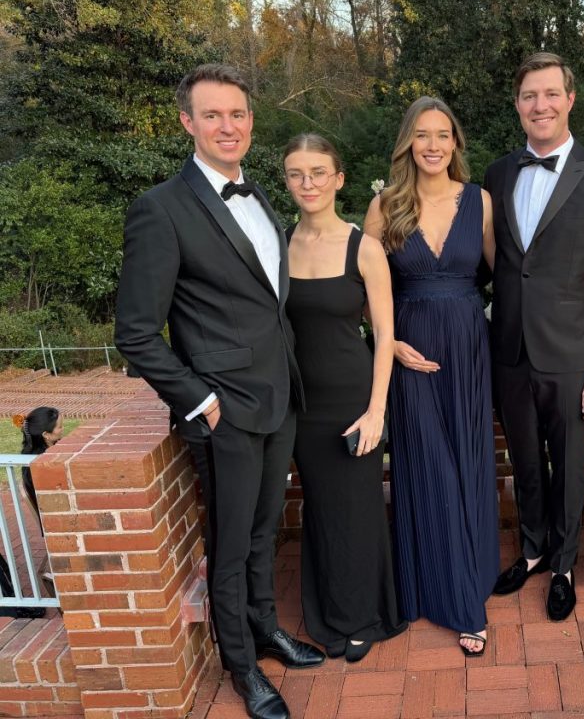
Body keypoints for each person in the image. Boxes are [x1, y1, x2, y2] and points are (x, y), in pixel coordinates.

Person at [115, 64, 323, 719]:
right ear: (187, 122)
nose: (227, 125)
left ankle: (265, 629)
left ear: (250, 121)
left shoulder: (259, 196)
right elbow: (137, 333)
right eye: (212, 115)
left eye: (237, 113)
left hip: (279, 396)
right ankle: (242, 667)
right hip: (224, 412)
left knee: (264, 531)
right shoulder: (161, 209)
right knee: (230, 543)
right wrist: (199, 400)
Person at [485, 52, 584, 621]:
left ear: (570, 99)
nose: (539, 105)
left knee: (569, 466)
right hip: (510, 351)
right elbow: (497, 265)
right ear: (518, 105)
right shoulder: (498, 174)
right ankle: (533, 548)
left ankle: (565, 565)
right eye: (528, 96)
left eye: (550, 94)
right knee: (523, 459)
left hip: (573, 355)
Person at [364, 96, 499, 657]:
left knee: (467, 465)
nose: (434, 145)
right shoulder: (383, 206)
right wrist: (389, 343)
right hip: (409, 352)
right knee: (429, 468)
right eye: (422, 135)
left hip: (469, 348)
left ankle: (467, 573)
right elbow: (363, 291)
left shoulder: (482, 203)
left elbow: (500, 276)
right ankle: (458, 601)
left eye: (443, 134)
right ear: (408, 144)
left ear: (456, 143)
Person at [282, 133, 406, 662]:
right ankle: (328, 612)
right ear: (287, 181)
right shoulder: (276, 242)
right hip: (299, 403)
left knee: (356, 509)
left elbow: (384, 335)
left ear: (339, 179)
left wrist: (377, 409)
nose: (307, 183)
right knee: (321, 508)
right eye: (296, 174)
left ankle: (364, 616)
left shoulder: (365, 247)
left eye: (318, 173)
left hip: (354, 397)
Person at [1, 407, 63, 619]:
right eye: (60, 427)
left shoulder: (34, 457)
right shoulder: (43, 464)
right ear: (46, 435)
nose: (62, 431)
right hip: (58, 523)